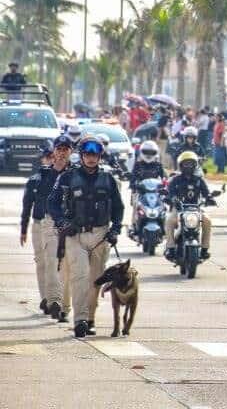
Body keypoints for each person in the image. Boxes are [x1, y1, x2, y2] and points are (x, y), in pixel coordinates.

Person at [48, 136, 124, 338]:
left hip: (100, 235)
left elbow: (118, 207)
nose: (91, 158)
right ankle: (80, 320)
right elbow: (52, 204)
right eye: (87, 154)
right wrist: (62, 222)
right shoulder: (67, 178)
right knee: (79, 277)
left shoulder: (108, 179)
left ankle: (90, 318)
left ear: (100, 156)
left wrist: (115, 229)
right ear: (81, 156)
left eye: (95, 155)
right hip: (76, 235)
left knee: (95, 280)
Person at [21, 139, 73, 322]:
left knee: (65, 266)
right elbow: (29, 202)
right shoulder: (43, 176)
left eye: (66, 149)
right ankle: (51, 300)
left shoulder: (75, 173)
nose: (62, 153)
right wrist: (23, 227)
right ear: (54, 152)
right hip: (45, 223)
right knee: (46, 262)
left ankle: (59, 301)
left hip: (69, 224)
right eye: (59, 149)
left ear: (71, 151)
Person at [164, 151, 214, 261]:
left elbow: (206, 193)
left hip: (196, 209)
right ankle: (170, 248)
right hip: (178, 209)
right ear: (180, 165)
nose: (188, 166)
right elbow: (170, 192)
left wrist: (210, 198)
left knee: (207, 221)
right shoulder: (175, 180)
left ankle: (205, 249)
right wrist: (172, 199)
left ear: (195, 165)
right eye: (185, 164)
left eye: (191, 164)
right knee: (169, 221)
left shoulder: (199, 180)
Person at [129, 141, 166, 234]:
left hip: (155, 192)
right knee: (136, 205)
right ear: (142, 152)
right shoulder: (138, 165)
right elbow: (133, 177)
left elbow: (164, 178)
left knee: (164, 206)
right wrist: (133, 185)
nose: (149, 155)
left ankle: (163, 226)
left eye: (151, 152)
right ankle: (134, 226)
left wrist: (166, 185)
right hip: (141, 191)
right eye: (146, 152)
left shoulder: (158, 165)